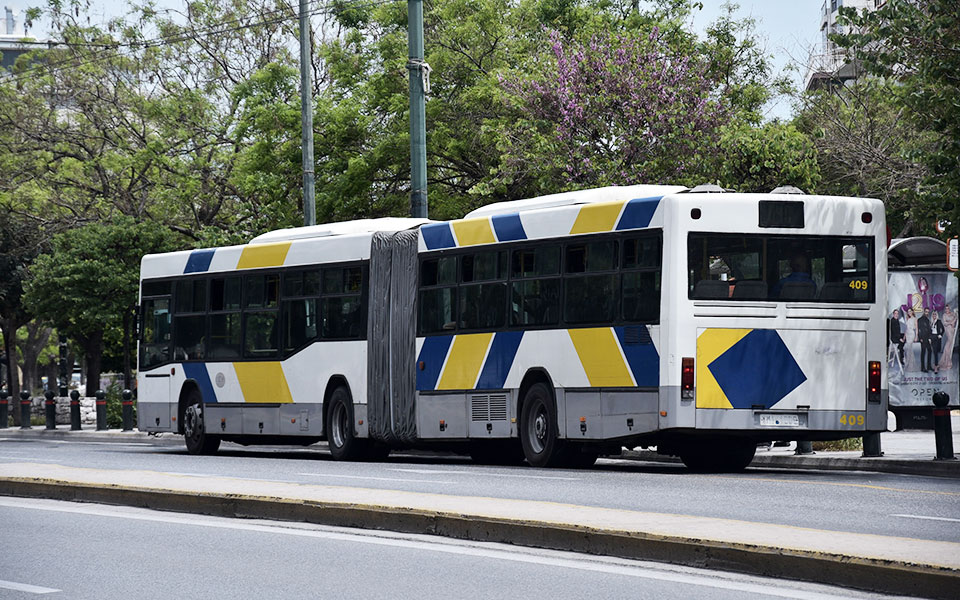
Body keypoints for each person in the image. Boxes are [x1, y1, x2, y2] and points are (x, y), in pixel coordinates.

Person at [938, 305, 958, 372]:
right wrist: (951, 322)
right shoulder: (944, 315)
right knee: (949, 342)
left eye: (948, 308)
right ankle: (946, 361)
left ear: (950, 309)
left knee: (951, 343)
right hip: (948, 329)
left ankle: (947, 359)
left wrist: (953, 322)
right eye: (946, 309)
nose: (947, 310)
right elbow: (945, 323)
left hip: (953, 329)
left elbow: (956, 318)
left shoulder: (953, 314)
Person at [918, 308, 933, 372]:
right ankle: (922, 368)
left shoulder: (927, 319)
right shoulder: (920, 319)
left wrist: (930, 337)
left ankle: (929, 366)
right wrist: (920, 338)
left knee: (929, 351)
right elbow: (919, 330)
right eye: (926, 312)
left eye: (928, 312)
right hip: (923, 338)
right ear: (924, 312)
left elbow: (929, 329)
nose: (927, 313)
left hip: (927, 337)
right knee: (923, 352)